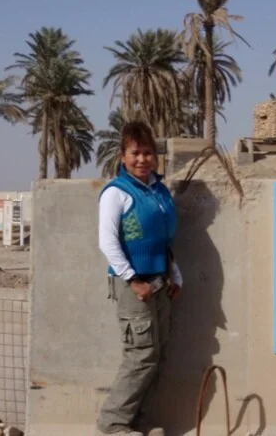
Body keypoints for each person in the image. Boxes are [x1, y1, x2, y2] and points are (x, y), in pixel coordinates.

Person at [96, 120, 182, 436]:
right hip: (134, 285)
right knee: (140, 356)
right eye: (135, 153)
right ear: (123, 156)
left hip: (159, 282)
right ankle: (112, 424)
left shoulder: (158, 190)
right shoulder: (117, 193)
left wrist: (175, 276)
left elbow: (164, 239)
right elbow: (107, 242)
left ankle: (135, 421)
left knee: (156, 354)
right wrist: (133, 280)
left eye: (148, 153)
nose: (142, 159)